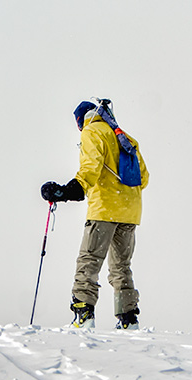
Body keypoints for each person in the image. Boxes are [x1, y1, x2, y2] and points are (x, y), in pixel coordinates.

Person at [41, 98, 149, 329]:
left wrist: (65, 191)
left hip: (104, 210)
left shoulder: (92, 132)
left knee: (89, 261)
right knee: (121, 266)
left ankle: (83, 314)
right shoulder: (125, 137)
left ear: (81, 120)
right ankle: (128, 319)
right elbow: (144, 178)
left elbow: (90, 170)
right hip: (130, 212)